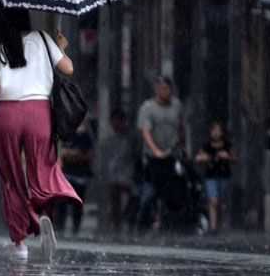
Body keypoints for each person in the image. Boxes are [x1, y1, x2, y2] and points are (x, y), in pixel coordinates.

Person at [0, 5, 79, 260]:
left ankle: (20, 243)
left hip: (7, 114)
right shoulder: (44, 39)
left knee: (11, 177)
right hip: (39, 113)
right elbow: (68, 69)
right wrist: (60, 46)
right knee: (41, 169)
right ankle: (43, 212)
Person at [136, 75, 186, 232]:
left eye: (169, 88)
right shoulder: (148, 107)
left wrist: (182, 149)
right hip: (153, 158)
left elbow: (181, 128)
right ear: (157, 90)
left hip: (172, 155)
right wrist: (155, 151)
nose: (167, 92)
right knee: (150, 190)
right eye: (164, 88)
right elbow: (145, 131)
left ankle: (165, 220)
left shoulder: (177, 106)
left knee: (172, 190)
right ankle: (142, 220)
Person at [194, 121, 236, 234]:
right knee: (213, 201)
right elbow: (198, 157)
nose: (216, 133)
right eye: (214, 130)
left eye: (219, 130)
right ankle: (213, 227)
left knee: (221, 202)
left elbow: (234, 158)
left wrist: (227, 156)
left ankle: (220, 223)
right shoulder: (206, 145)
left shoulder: (227, 145)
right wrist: (205, 157)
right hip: (211, 176)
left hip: (224, 176)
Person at [101, 108, 137, 232]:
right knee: (114, 202)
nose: (117, 123)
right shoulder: (108, 137)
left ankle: (127, 223)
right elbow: (105, 156)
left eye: (119, 120)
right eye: (115, 120)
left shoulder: (130, 138)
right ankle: (115, 225)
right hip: (112, 174)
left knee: (127, 200)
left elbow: (133, 155)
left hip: (127, 173)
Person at [57, 120, 94, 236]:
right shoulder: (65, 133)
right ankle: (60, 229)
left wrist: (70, 153)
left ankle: (75, 230)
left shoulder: (85, 135)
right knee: (62, 205)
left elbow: (87, 154)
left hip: (80, 176)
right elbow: (60, 152)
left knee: (77, 206)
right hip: (66, 175)